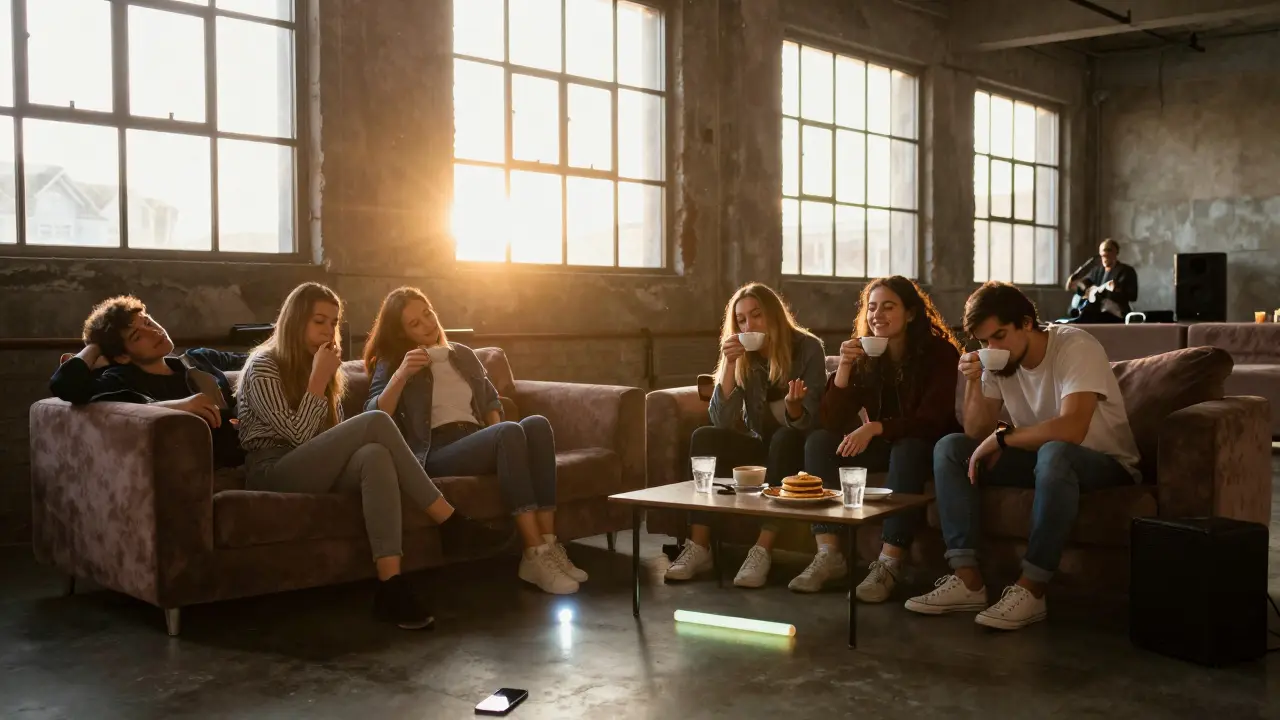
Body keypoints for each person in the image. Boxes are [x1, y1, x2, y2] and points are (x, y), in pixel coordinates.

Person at [235, 282, 506, 631]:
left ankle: (390, 586)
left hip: (312, 468)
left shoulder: (319, 365)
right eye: (319, 321)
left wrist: (321, 378)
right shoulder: (263, 366)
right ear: (294, 321)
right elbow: (298, 436)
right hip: (272, 470)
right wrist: (319, 379)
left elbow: (332, 437)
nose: (327, 331)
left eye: (333, 323)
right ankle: (449, 521)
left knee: (375, 455)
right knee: (376, 420)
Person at [905, 282, 1140, 630]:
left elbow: (1073, 428)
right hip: (1042, 459)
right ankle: (967, 579)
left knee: (1056, 453)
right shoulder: (999, 362)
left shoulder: (1075, 346)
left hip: (1103, 462)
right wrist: (973, 380)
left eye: (999, 336)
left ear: (1027, 323)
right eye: (984, 342)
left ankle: (1032, 588)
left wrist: (1004, 439)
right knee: (952, 449)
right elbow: (975, 432)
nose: (992, 348)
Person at [363, 287, 584, 596]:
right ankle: (533, 554)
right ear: (401, 333)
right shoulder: (394, 362)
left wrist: (501, 438)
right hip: (436, 450)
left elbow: (491, 400)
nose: (427, 324)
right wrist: (402, 374)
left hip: (476, 439)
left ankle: (549, 545)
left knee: (536, 425)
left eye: (427, 313)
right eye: (415, 323)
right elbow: (373, 415)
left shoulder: (463, 355)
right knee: (509, 432)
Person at [796, 276, 961, 597]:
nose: (877, 315)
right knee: (820, 442)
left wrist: (876, 427)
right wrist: (843, 368)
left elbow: (932, 421)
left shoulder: (939, 354)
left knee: (908, 448)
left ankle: (889, 563)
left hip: (929, 449)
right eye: (871, 308)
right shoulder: (868, 357)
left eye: (888, 307)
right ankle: (829, 553)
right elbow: (830, 420)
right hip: (886, 445)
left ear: (911, 313)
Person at [664, 282, 826, 588]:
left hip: (796, 445)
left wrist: (793, 408)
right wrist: (728, 364)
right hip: (758, 444)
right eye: (741, 320)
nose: (749, 325)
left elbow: (812, 419)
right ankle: (699, 546)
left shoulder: (807, 348)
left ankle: (762, 548)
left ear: (774, 316)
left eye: (756, 316)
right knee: (705, 437)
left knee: (783, 439)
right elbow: (721, 420)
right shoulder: (744, 357)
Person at [49, 295, 246, 469]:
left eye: (148, 322)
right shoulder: (122, 380)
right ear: (122, 356)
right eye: (137, 336)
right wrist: (96, 346)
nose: (155, 332)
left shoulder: (198, 359)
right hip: (207, 469)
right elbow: (66, 385)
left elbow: (260, 358)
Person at [1062, 238, 1138, 323]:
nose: (1106, 256)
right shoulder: (1097, 271)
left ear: (1116, 252)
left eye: (1109, 252)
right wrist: (1077, 285)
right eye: (1103, 255)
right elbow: (1085, 285)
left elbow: (1132, 296)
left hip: (1115, 311)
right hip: (1095, 309)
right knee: (1078, 301)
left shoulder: (1126, 271)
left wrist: (1111, 291)